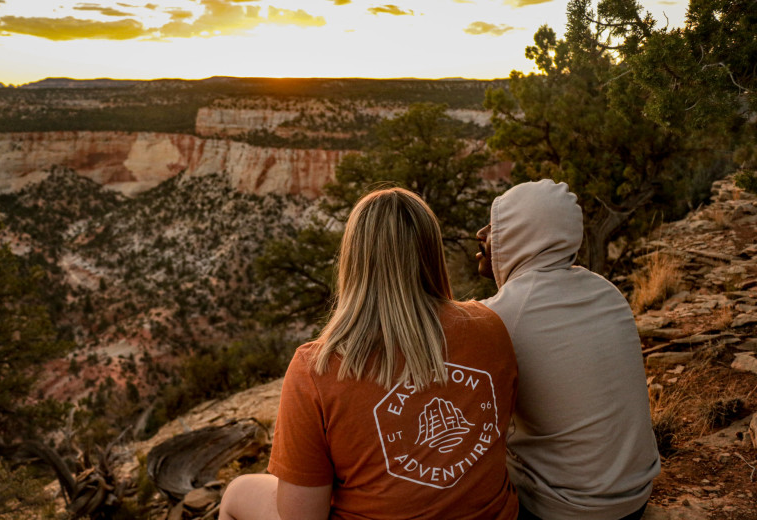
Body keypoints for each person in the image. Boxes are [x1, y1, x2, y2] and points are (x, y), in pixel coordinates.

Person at [220, 187, 519, 520]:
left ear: (354, 260)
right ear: (431, 252)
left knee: (236, 493)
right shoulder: (489, 326)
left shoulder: (317, 369)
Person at [475, 179, 660, 520]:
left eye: (497, 226)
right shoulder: (606, 291)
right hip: (635, 498)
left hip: (564, 509)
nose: (481, 234)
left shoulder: (499, 315)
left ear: (521, 234)